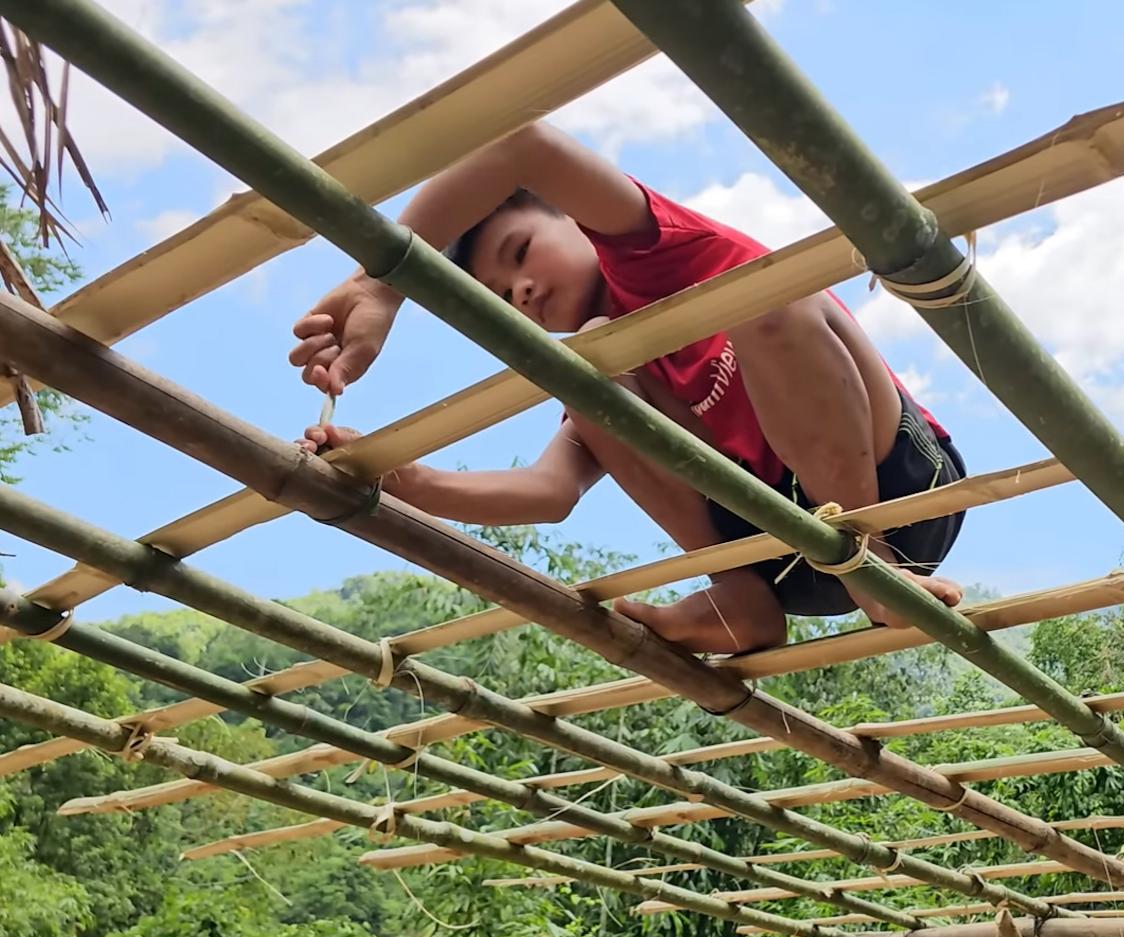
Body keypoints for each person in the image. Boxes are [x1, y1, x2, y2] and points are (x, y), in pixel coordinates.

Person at [289, 121, 965, 654]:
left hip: (895, 491)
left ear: (574, 219)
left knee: (769, 295)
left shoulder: (659, 250)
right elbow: (548, 493)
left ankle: (866, 558)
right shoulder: (600, 368)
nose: (520, 289)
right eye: (502, 295)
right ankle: (739, 594)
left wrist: (382, 282)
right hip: (784, 562)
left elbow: (522, 146)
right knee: (592, 375)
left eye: (521, 254)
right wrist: (400, 479)